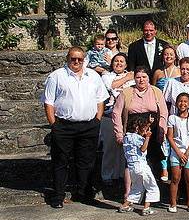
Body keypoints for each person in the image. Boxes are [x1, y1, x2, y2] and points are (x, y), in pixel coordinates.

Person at [42, 47, 109, 208]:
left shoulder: (93, 76)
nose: (76, 62)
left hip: (89, 126)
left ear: (84, 59)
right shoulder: (56, 76)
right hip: (64, 126)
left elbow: (101, 100)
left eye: (80, 59)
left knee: (86, 162)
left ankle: (84, 193)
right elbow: (48, 102)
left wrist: (97, 120)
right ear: (67, 59)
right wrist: (54, 125)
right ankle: (58, 196)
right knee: (60, 161)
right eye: (73, 59)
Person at [112, 66, 168, 194]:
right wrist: (119, 134)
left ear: (149, 78)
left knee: (151, 161)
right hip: (133, 131)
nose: (141, 80)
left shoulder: (156, 91)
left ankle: (150, 193)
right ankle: (129, 193)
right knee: (131, 163)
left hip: (152, 130)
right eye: (138, 77)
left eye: (144, 77)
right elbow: (116, 113)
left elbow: (164, 112)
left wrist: (161, 131)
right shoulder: (126, 92)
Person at [100, 53, 134, 185]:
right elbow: (111, 86)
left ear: (126, 64)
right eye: (116, 61)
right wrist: (126, 78)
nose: (119, 63)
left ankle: (120, 175)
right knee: (109, 147)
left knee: (124, 148)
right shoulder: (106, 75)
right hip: (109, 116)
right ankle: (107, 175)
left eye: (122, 61)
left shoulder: (132, 77)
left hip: (126, 117)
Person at [117, 115, 160, 215]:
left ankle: (125, 205)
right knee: (151, 186)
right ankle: (146, 208)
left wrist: (148, 123)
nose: (145, 131)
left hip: (132, 168)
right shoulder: (138, 138)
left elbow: (140, 132)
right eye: (144, 128)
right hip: (141, 166)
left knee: (137, 187)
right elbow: (143, 149)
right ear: (137, 128)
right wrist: (148, 137)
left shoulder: (126, 137)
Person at [166, 93, 189, 213]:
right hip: (176, 152)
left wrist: (187, 153)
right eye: (180, 101)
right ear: (176, 103)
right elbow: (170, 137)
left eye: (185, 101)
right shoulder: (172, 118)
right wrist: (179, 153)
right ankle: (173, 203)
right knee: (175, 178)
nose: (183, 104)